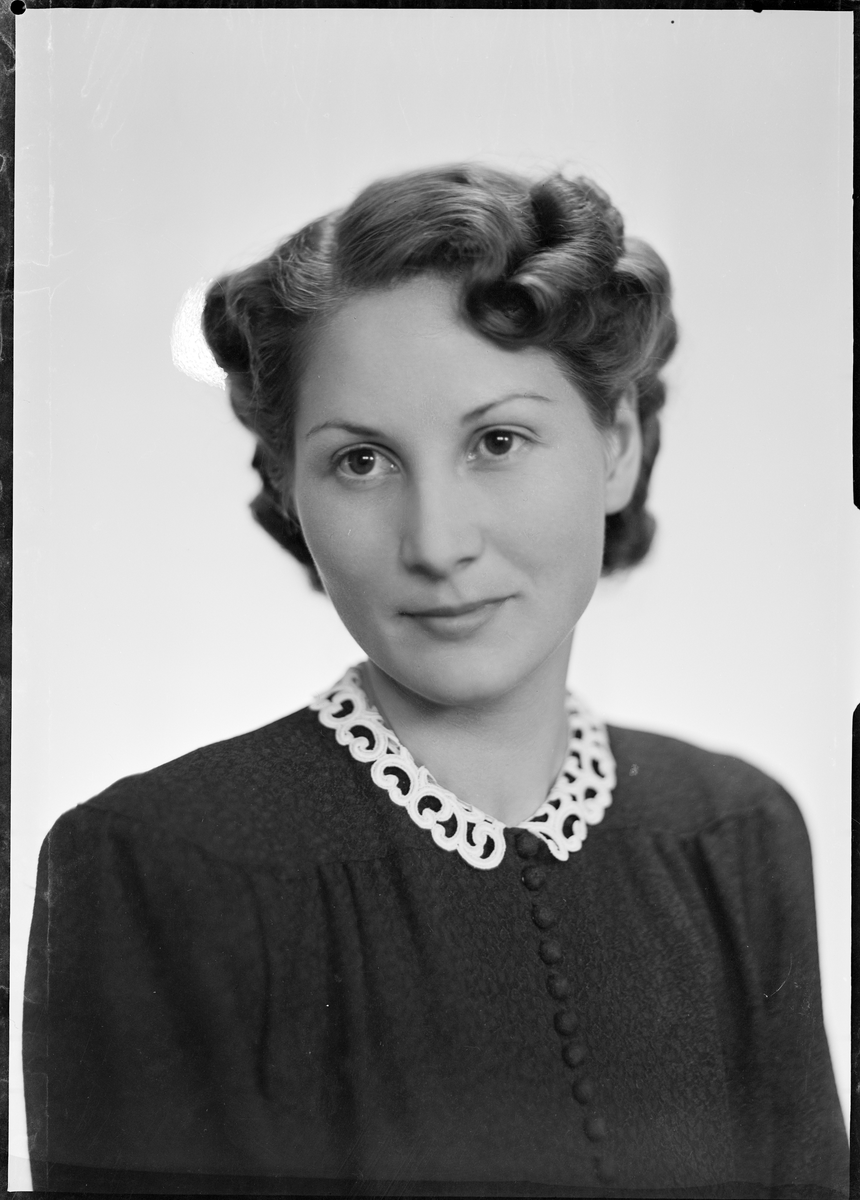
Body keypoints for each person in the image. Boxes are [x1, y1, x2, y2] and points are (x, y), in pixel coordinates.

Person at [23, 164, 848, 1198]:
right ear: (288, 487)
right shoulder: (153, 867)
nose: (436, 542)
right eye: (362, 461)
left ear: (618, 446)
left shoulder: (734, 833)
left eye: (496, 441)